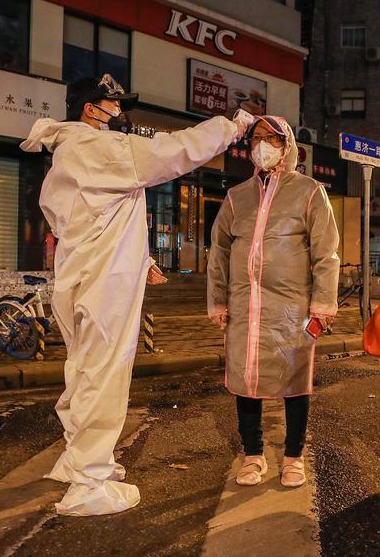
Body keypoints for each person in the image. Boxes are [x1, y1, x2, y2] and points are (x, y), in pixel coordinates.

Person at [21, 74, 255, 516]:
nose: (119, 111)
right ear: (91, 108)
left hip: (84, 275)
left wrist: (141, 257)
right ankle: (90, 482)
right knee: (104, 374)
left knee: (86, 369)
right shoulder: (96, 147)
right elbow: (170, 152)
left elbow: (95, 216)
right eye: (113, 103)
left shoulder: (71, 153)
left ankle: (82, 460)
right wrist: (230, 127)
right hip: (104, 282)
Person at [207, 115, 339, 488]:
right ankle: (253, 454)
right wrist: (218, 300)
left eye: (272, 138)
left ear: (288, 145)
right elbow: (218, 251)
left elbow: (326, 253)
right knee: (246, 379)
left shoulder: (310, 191)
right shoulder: (237, 197)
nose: (262, 145)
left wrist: (323, 304)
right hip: (244, 306)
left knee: (295, 380)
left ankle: (293, 456)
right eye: (257, 139)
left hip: (292, 306)